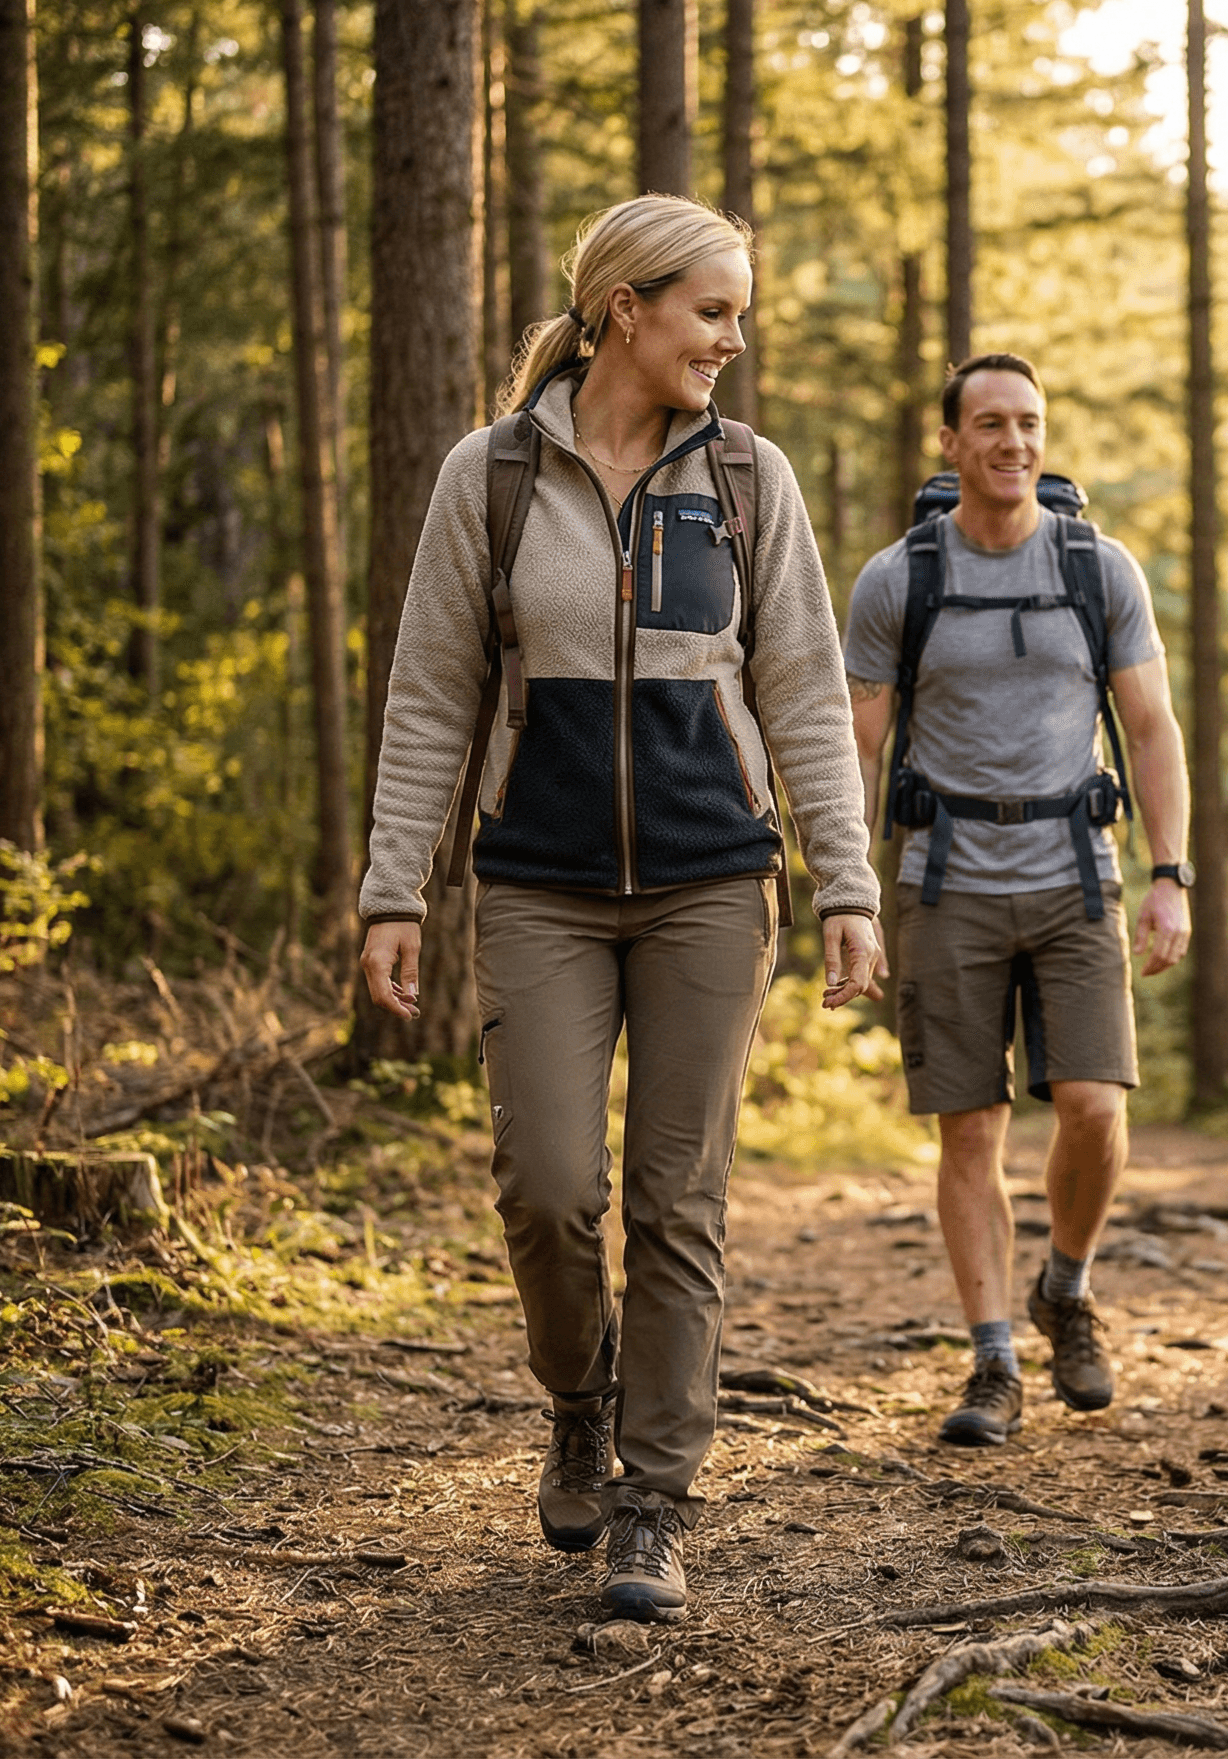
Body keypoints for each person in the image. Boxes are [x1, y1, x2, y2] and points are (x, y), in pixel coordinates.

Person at [357, 194, 883, 1621]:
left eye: (740, 310)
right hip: (536, 881)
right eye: (711, 310)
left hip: (716, 882)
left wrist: (847, 884)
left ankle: (655, 1497)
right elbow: (429, 696)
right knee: (545, 1186)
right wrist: (392, 887)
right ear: (623, 311)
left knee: (676, 1198)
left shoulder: (752, 482)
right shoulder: (492, 477)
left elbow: (803, 698)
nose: (733, 336)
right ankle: (575, 1395)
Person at [843, 354, 1192, 1447]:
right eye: (988, 424)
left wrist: (1171, 875)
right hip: (941, 881)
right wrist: (846, 886)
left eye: (1029, 423)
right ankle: (992, 1358)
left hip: (1076, 874)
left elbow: (1150, 731)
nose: (1013, 443)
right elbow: (857, 736)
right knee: (970, 1129)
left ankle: (1067, 1286)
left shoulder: (1100, 570)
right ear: (950, 443)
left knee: (1094, 1106)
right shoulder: (897, 578)